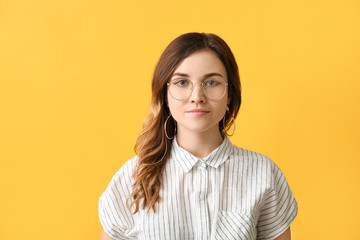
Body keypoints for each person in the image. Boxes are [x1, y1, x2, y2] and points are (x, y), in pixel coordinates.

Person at [98, 32, 298, 240]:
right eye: (182, 82)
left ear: (230, 94)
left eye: (211, 82)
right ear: (165, 96)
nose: (197, 97)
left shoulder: (263, 173)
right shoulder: (132, 179)